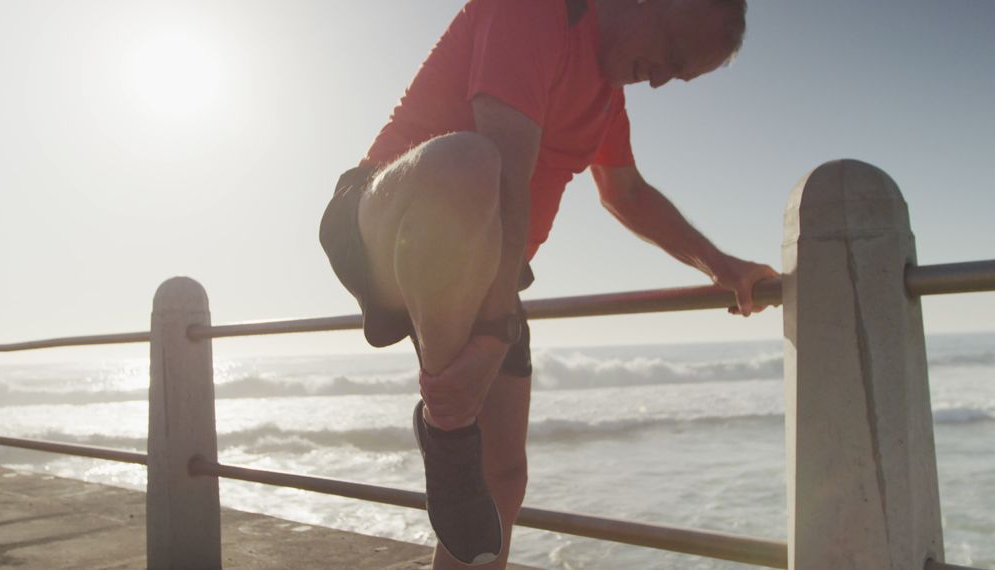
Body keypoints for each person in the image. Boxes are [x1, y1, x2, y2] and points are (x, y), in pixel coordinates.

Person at [320, 0, 779, 567]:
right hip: (378, 222)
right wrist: (491, 338)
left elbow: (626, 193)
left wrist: (721, 266)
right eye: (671, 54)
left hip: (487, 270)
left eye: (676, 76)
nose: (659, 79)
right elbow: (509, 170)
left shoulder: (608, 99)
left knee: (504, 473)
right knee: (471, 162)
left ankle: (455, 437)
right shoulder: (537, 11)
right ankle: (448, 423)